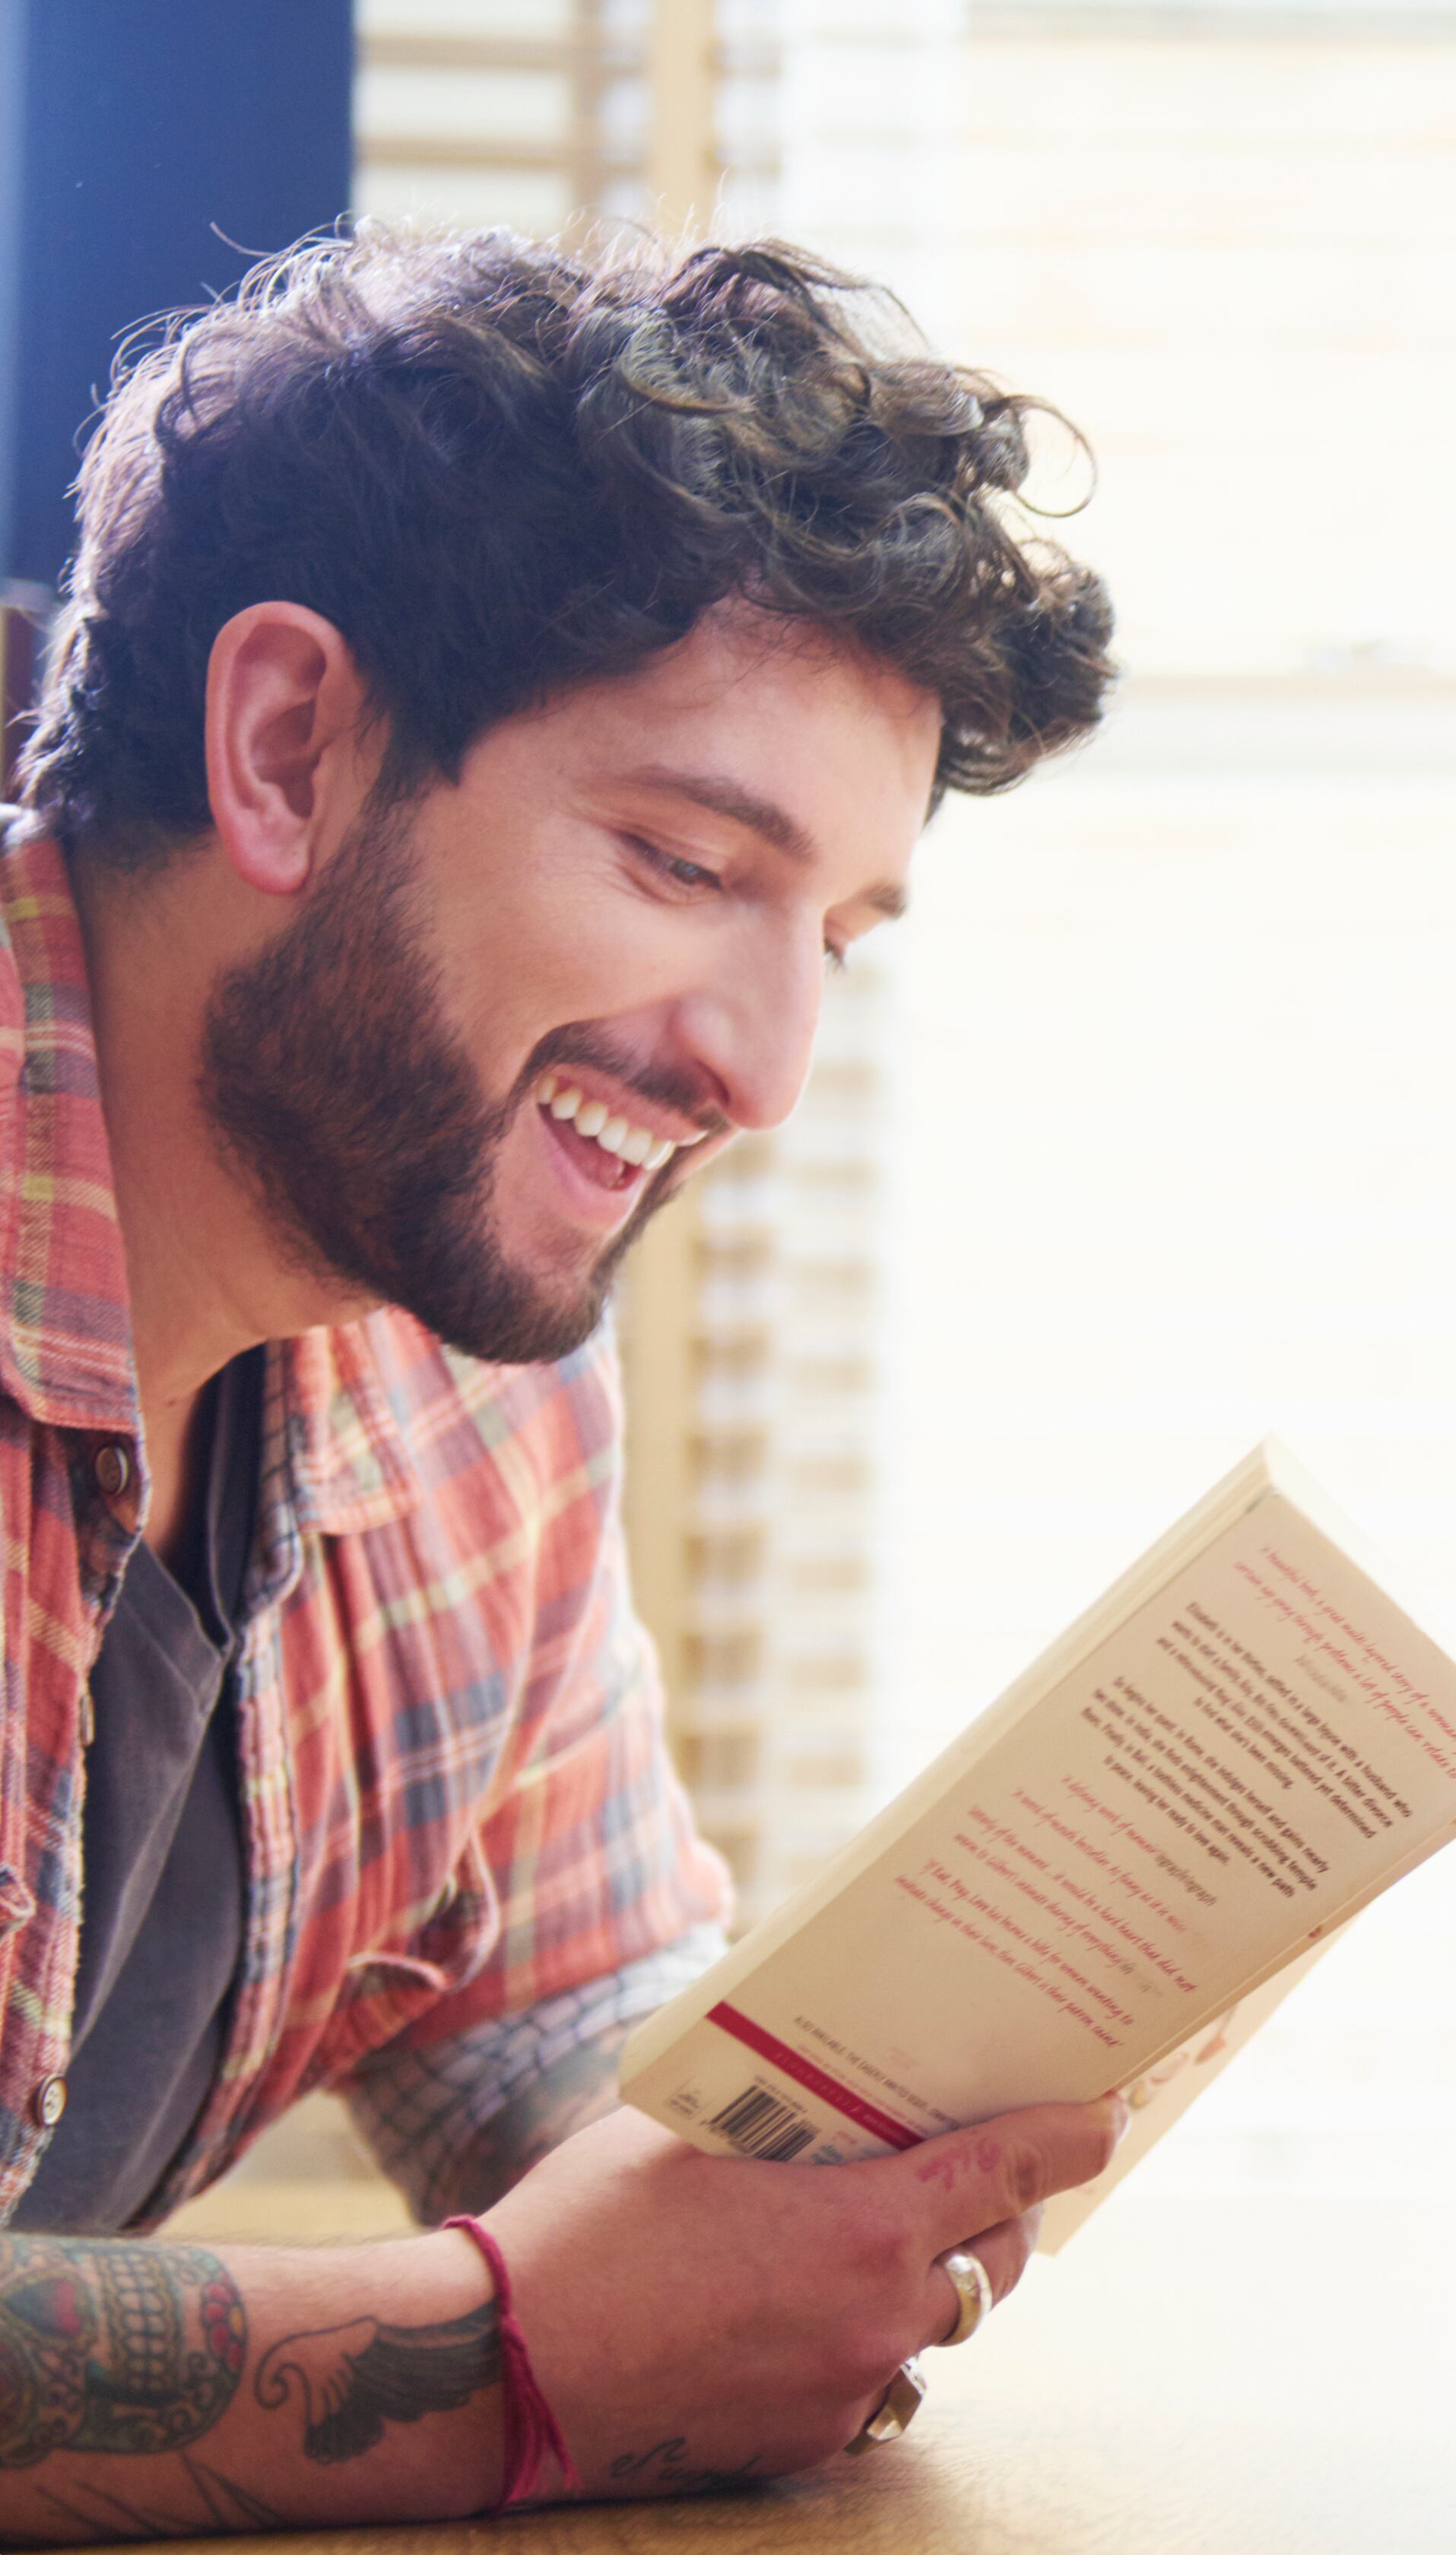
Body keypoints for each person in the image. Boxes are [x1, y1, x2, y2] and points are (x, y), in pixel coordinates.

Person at [0, 226, 1125, 2534]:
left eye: (829, 935)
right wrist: (494, 2357)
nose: (765, 1066)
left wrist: (823, 2201)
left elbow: (565, 2071)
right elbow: (550, 2304)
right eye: (686, 860)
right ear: (292, 746)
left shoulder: (466, 1358)